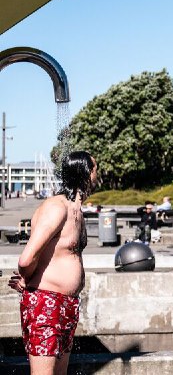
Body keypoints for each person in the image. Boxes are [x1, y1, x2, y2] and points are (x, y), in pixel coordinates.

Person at [7, 151, 97, 375]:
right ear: (84, 173)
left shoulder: (76, 210)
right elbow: (27, 258)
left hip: (66, 304)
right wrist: (28, 280)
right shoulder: (57, 207)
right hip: (46, 303)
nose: (98, 176)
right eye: (95, 170)